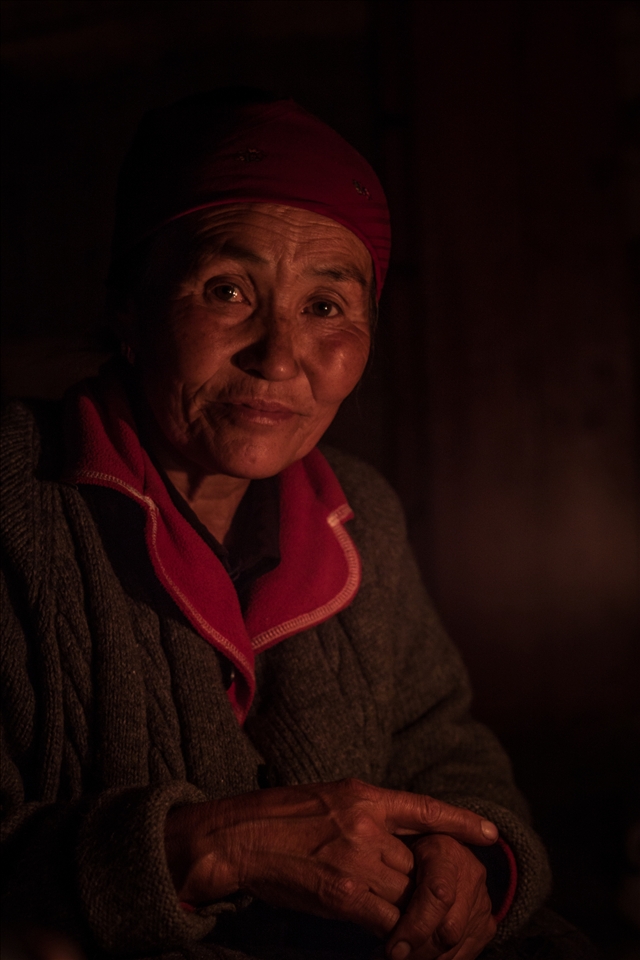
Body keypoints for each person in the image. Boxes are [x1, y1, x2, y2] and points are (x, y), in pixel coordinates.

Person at [1, 89, 589, 960]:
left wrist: (460, 854)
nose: (278, 357)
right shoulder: (21, 496)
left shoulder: (359, 513)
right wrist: (209, 845)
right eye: (227, 290)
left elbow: (442, 746)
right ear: (130, 306)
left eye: (326, 307)